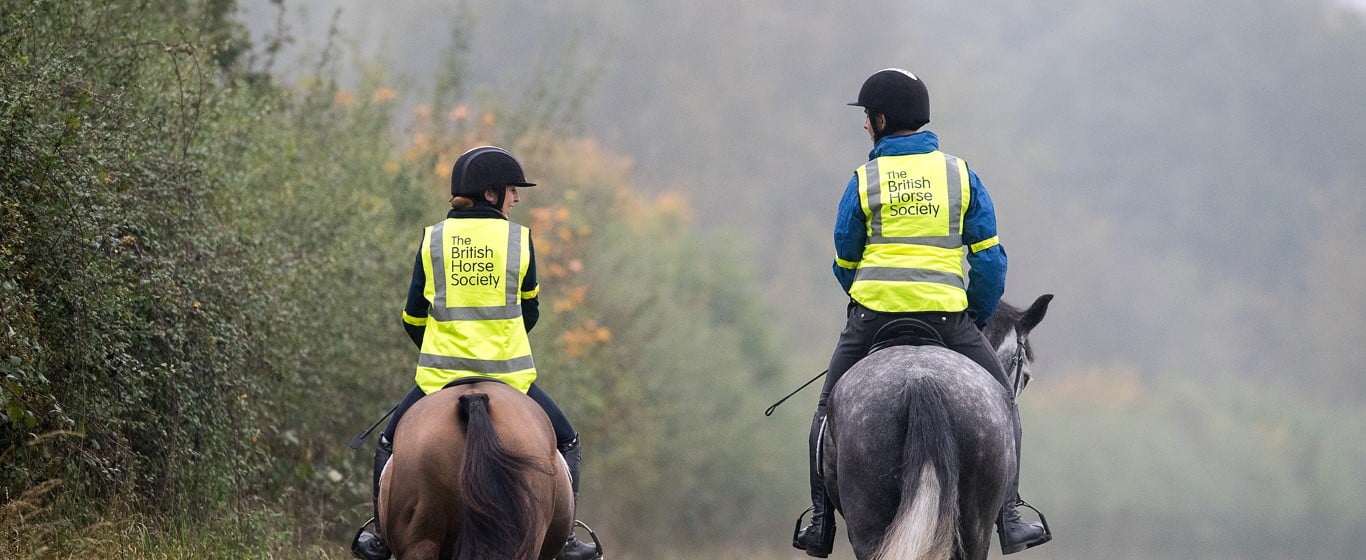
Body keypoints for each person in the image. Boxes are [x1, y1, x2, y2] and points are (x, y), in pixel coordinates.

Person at [792, 69, 1051, 557]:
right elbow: (991, 259)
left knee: (826, 414)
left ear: (882, 119)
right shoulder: (960, 175)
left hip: (872, 320)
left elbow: (844, 258)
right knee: (1004, 405)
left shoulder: (864, 180)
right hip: (949, 322)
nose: (865, 126)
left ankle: (821, 522)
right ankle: (1011, 516)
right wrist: (973, 312)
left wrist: (867, 298)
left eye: (867, 118)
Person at [351, 146, 601, 560]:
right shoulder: (518, 240)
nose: (516, 198)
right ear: (490, 194)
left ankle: (379, 537)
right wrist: (498, 345)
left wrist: (441, 350)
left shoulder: (433, 239)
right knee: (568, 440)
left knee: (388, 445)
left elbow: (412, 317)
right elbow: (529, 312)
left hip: (437, 377)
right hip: (510, 378)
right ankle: (567, 540)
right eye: (511, 190)